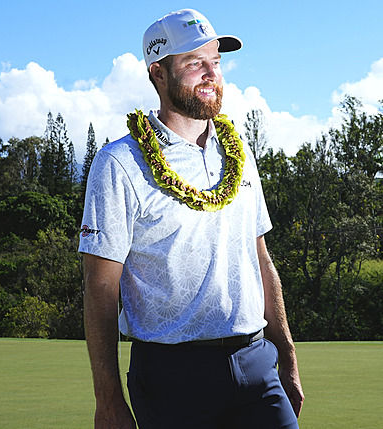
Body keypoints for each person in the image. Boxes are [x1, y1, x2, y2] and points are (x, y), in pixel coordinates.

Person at [79, 8, 304, 429]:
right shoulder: (119, 163)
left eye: (215, 62)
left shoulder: (239, 154)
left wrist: (287, 360)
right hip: (171, 377)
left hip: (256, 365)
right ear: (158, 73)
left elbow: (261, 259)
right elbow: (100, 286)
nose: (210, 74)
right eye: (193, 62)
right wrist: (107, 400)